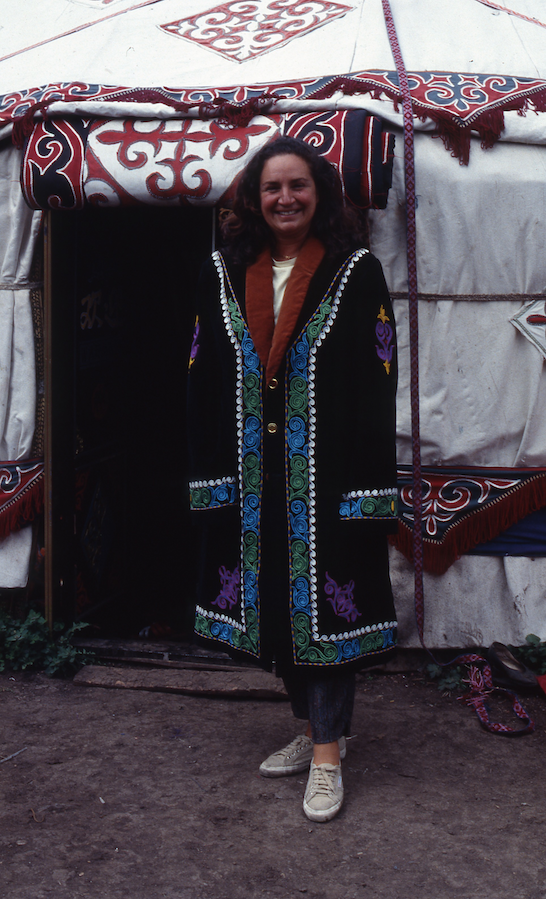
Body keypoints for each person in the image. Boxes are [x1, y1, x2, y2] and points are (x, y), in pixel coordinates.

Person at [187, 136, 398, 822]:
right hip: (254, 480)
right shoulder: (225, 270)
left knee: (327, 617)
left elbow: (376, 383)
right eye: (272, 187)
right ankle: (312, 732)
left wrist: (367, 491)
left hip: (326, 481)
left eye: (298, 186)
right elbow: (203, 378)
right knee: (277, 611)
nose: (285, 199)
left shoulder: (355, 271)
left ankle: (329, 757)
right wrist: (210, 476)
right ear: (254, 198)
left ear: (320, 194)